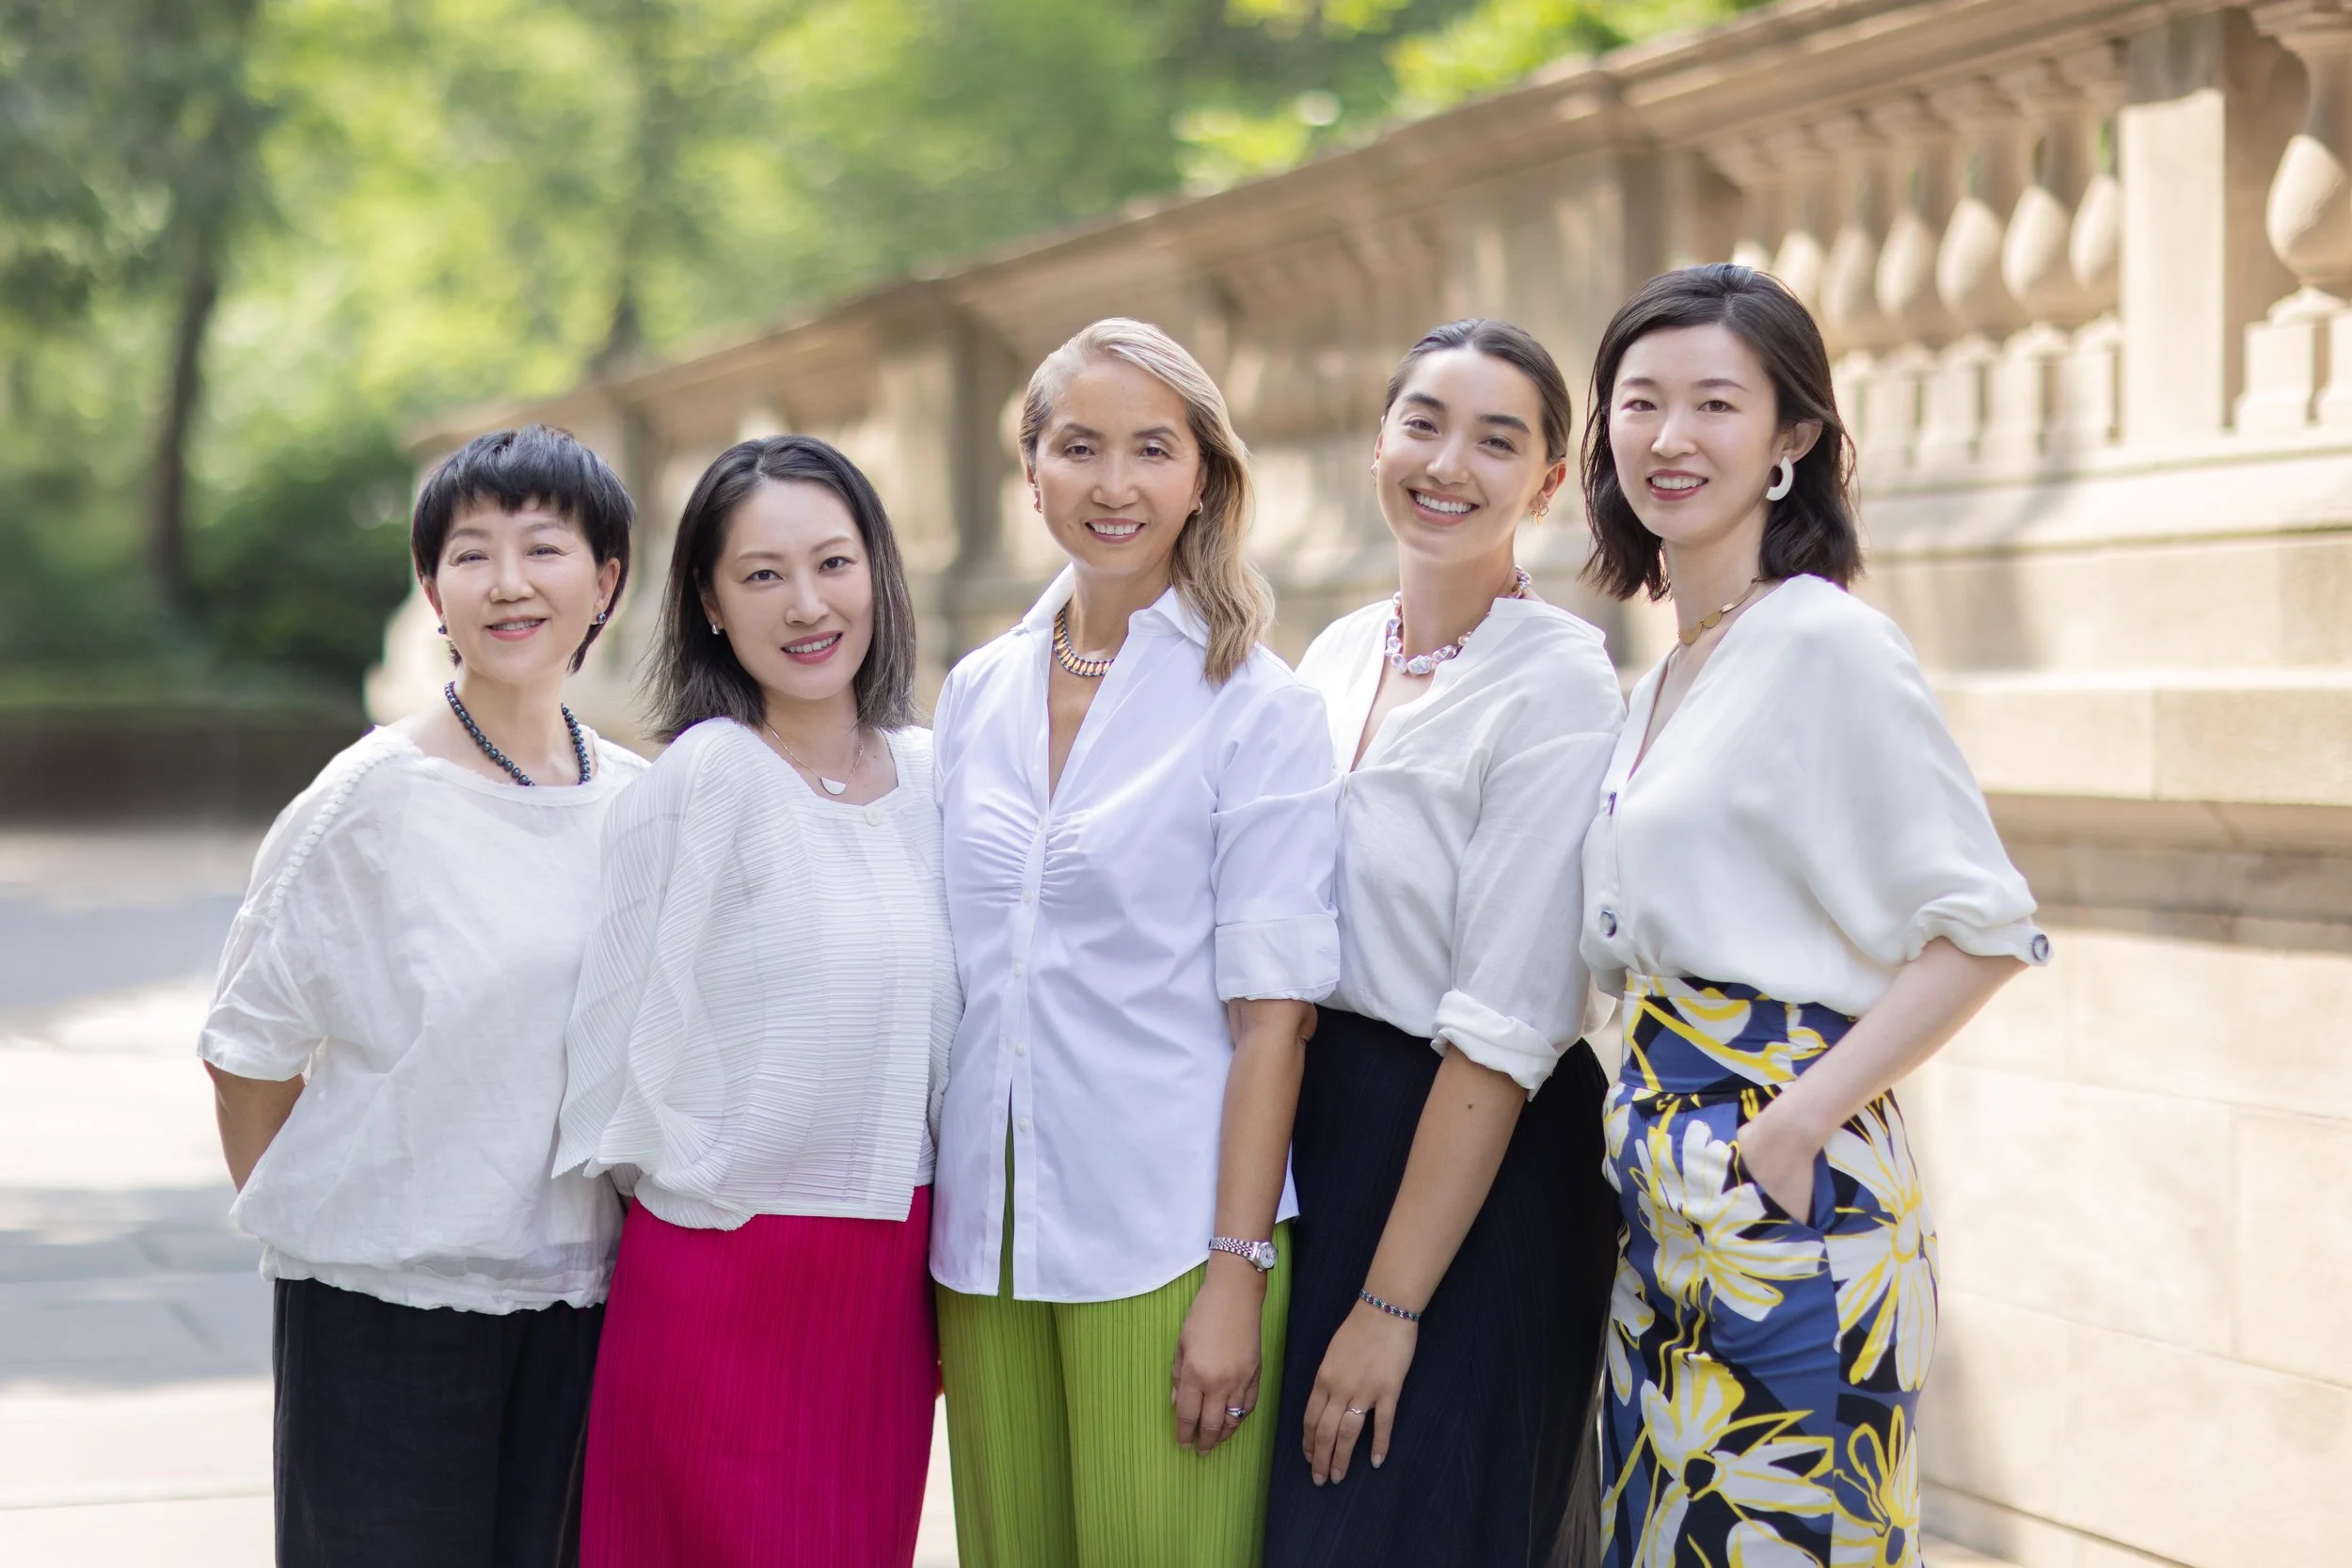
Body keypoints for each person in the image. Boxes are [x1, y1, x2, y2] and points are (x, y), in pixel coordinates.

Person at [1578, 263, 2048, 1567]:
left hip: (1790, 1190)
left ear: (1793, 440)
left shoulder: (1826, 642)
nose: (1671, 438)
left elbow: (1983, 926)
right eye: (1641, 402)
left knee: (1785, 1543)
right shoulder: (1671, 662)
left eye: (1716, 404)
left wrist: (1792, 1122)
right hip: (1667, 1195)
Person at [929, 317, 1340, 1568]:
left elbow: (1275, 1015)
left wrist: (1236, 1271)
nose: (1114, 483)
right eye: (1080, 446)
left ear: (1203, 474)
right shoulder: (976, 690)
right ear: (1032, 469)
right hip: (983, 1246)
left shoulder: (1257, 709)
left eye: (1152, 448)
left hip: (1163, 1238)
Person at [198, 424, 644, 1568]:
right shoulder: (369, 802)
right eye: (470, 552)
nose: (507, 582)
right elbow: (247, 1051)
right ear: (430, 588)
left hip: (585, 1306)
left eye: (543, 548)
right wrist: (355, 1222)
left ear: (604, 581)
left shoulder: (645, 807)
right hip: (386, 1315)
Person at [553, 435, 955, 1567]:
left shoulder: (937, 774)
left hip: (890, 1282)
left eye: (833, 562)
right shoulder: (709, 776)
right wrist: (721, 1193)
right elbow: (619, 1048)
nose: (807, 604)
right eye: (762, 574)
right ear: (709, 603)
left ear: (878, 569)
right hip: (725, 1276)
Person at [1267, 319, 1625, 1567]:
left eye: (1497, 438)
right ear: (1379, 439)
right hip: (1325, 1138)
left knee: (1413, 1524)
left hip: (1479, 1157)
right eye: (1422, 421)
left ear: (1549, 481)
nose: (1447, 461)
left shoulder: (1561, 681)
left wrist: (1389, 1302)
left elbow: (1508, 1020)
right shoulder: (1332, 651)